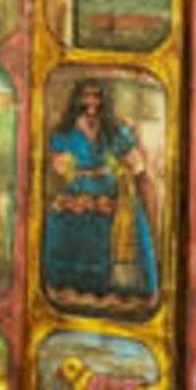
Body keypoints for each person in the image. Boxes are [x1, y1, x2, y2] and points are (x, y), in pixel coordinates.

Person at [38, 78, 157, 309]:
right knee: (61, 218)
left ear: (104, 100)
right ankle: (69, 287)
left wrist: (127, 168)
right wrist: (66, 167)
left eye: (96, 96)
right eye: (86, 96)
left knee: (122, 219)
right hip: (77, 187)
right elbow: (57, 165)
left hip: (109, 188)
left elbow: (137, 163)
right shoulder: (65, 131)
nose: (91, 102)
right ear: (77, 99)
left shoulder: (115, 129)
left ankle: (114, 289)